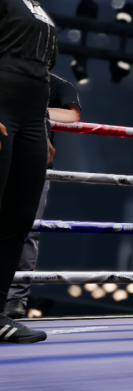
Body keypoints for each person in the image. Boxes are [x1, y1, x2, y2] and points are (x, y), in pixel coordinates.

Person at [0, 0, 68, 344]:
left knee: (17, 220)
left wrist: (42, 130)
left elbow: (41, 73)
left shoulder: (34, 5)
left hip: (29, 122)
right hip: (2, 114)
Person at [4, 72, 81, 319]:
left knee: (27, 231)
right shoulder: (6, 73)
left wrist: (30, 111)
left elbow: (73, 114)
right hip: (4, 156)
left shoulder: (55, 83)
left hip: (34, 163)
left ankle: (15, 299)